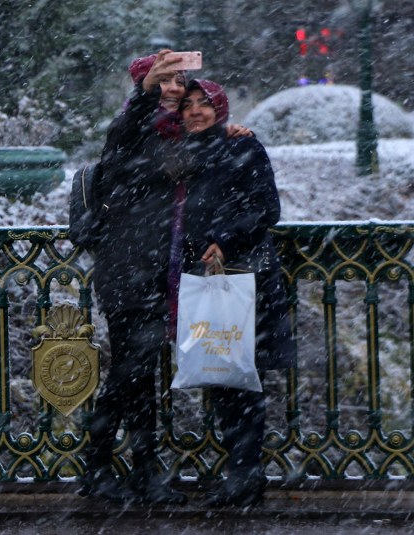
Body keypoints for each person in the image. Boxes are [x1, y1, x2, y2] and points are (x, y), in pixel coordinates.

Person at [78, 52, 252, 505]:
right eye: (165, 81)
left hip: (162, 271)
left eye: (180, 80)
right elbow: (121, 156)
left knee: (139, 376)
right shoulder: (133, 126)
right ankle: (101, 466)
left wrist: (227, 133)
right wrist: (143, 94)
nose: (176, 89)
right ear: (144, 85)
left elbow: (203, 161)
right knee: (130, 373)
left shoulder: (175, 134)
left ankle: (141, 471)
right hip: (128, 269)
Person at [172, 79, 296, 507]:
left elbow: (266, 207)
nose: (195, 112)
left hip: (242, 277)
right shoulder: (182, 152)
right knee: (224, 374)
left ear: (220, 108)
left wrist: (225, 239)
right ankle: (242, 474)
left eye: (204, 105)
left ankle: (244, 474)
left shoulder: (243, 146)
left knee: (240, 376)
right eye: (187, 106)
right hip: (204, 278)